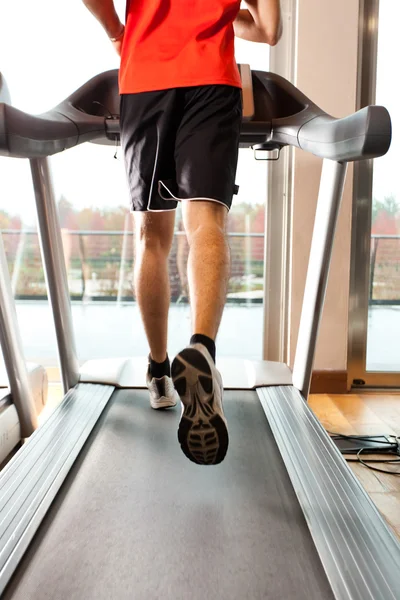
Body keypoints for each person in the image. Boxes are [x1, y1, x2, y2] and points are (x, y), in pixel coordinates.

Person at [82, 0, 282, 465]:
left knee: (152, 236)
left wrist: (119, 31)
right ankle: (203, 350)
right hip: (212, 77)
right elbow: (268, 29)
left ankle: (158, 370)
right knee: (207, 221)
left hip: (145, 76)